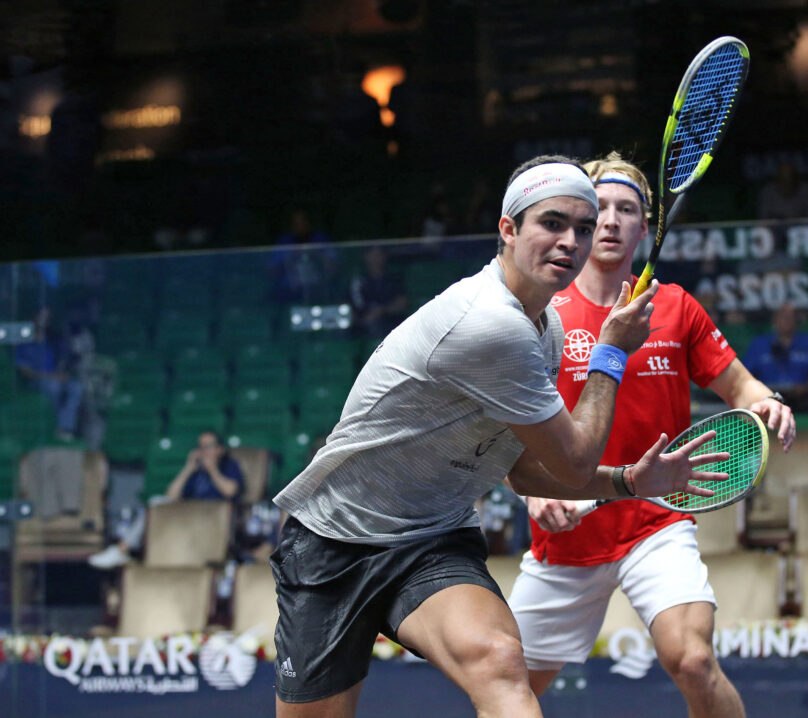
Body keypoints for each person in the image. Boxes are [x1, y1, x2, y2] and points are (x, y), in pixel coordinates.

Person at [268, 156, 731, 718]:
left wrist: (630, 480)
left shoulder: (545, 327)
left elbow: (527, 469)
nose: (571, 242)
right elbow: (574, 463)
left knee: (501, 661)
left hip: (431, 538)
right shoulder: (490, 323)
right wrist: (611, 352)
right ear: (508, 229)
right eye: (552, 223)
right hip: (336, 541)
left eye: (583, 228)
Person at [508, 152, 796, 718]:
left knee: (693, 660)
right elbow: (505, 426)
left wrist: (765, 401)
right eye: (599, 209)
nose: (611, 221)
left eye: (627, 210)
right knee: (507, 687)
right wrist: (534, 492)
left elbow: (740, 385)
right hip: (567, 539)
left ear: (645, 228)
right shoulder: (539, 312)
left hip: (656, 521)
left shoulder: (675, 307)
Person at [88, 430, 245, 569]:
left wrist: (213, 470)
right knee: (156, 503)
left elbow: (230, 491)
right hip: (189, 514)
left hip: (215, 516)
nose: (203, 451)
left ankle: (123, 550)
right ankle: (123, 550)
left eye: (208, 447)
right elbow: (171, 495)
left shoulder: (229, 466)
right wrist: (188, 469)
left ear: (220, 449)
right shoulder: (196, 471)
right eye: (200, 447)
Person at [742, 303, 808, 413]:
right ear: (774, 320)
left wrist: (807, 388)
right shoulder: (759, 344)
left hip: (803, 398)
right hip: (766, 397)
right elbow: (746, 374)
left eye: (790, 317)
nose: (787, 320)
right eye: (783, 317)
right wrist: (759, 390)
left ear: (796, 321)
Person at [14, 306, 84, 441]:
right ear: (33, 318)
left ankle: (65, 428)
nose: (43, 321)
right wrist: (53, 377)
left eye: (46, 318)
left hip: (54, 378)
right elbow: (27, 373)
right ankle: (57, 427)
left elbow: (60, 364)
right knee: (53, 387)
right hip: (35, 381)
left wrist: (62, 374)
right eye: (41, 317)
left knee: (76, 387)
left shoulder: (52, 341)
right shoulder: (23, 344)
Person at [348, 245, 409, 339]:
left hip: (391, 325)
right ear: (365, 257)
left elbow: (402, 303)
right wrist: (362, 319)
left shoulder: (394, 279)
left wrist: (382, 311)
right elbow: (350, 307)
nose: (376, 259)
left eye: (379, 255)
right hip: (362, 327)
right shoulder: (358, 281)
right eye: (372, 255)